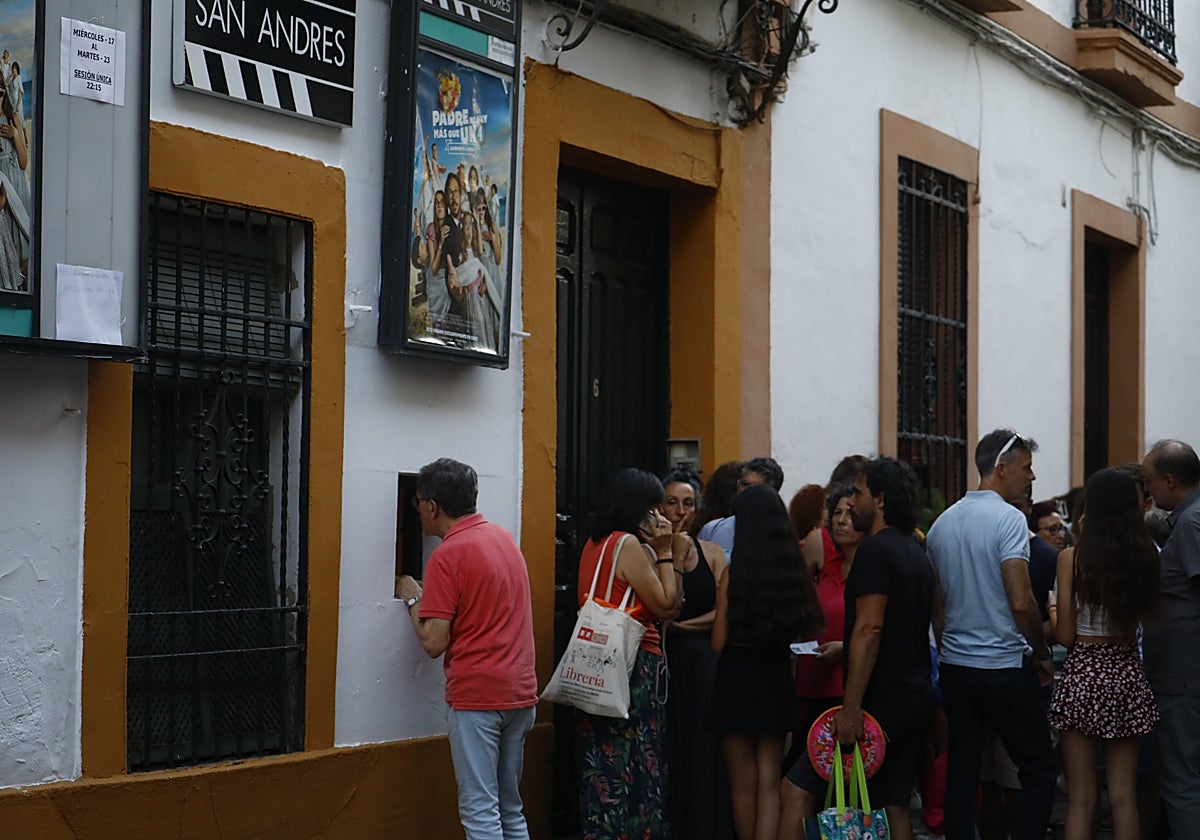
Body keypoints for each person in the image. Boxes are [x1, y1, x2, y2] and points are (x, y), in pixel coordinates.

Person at [782, 458, 935, 840]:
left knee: (795, 789)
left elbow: (870, 627)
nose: (850, 502)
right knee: (894, 805)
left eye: (859, 492)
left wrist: (851, 710)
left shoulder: (875, 552)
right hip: (912, 698)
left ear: (880, 500)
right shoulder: (914, 550)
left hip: (876, 708)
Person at [395, 459, 538, 840]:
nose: (418, 510)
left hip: (477, 698)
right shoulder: (504, 539)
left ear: (432, 506)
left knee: (480, 813)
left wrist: (412, 600)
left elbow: (433, 643)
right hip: (521, 693)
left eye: (418, 502)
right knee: (511, 808)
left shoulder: (448, 554)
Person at [925, 429, 1056, 840]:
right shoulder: (1009, 518)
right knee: (1038, 769)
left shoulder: (944, 522)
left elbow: (939, 604)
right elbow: (1021, 600)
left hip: (957, 665)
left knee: (964, 771)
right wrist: (1041, 651)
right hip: (1002, 664)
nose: (1032, 477)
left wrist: (950, 645)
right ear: (1001, 469)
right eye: (1027, 468)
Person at [576, 468, 688, 840]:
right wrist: (667, 552)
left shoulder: (596, 542)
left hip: (598, 663)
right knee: (637, 760)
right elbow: (666, 603)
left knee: (603, 760)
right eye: (655, 506)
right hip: (633, 664)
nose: (661, 516)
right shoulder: (628, 545)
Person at [1047, 468, 1159, 840]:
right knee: (1124, 795)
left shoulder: (1071, 560)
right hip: (1127, 673)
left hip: (1084, 675)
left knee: (1081, 796)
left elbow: (1064, 635)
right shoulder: (1146, 558)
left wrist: (1050, 612)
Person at [712, 484, 823, 840]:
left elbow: (718, 642)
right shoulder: (790, 575)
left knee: (742, 783)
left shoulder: (733, 576)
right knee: (769, 779)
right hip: (775, 676)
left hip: (735, 678)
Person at [779, 484, 869, 840]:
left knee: (819, 787)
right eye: (837, 513)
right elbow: (796, 602)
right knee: (805, 787)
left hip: (845, 693)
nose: (843, 520)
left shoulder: (872, 567)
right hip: (811, 682)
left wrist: (845, 649)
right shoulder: (824, 560)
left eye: (851, 513)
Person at [660, 469, 734, 840]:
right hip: (664, 667)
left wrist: (681, 629)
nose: (680, 511)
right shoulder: (650, 553)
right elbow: (666, 606)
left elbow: (725, 610)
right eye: (672, 502)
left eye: (688, 503)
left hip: (704, 664)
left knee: (704, 749)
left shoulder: (714, 553)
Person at [1141, 439, 1200, 836]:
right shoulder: (1184, 519)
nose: (1147, 492)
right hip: (1182, 670)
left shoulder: (1192, 523)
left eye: (1149, 483)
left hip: (1184, 673)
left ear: (1169, 480)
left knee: (1182, 781)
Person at [699, 457, 785, 556]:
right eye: (744, 484)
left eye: (757, 488)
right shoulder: (712, 530)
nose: (747, 492)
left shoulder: (783, 537)